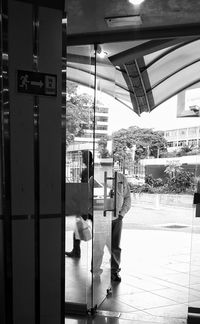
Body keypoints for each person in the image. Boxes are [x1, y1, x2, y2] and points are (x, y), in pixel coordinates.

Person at [93, 171, 131, 282]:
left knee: (115, 247)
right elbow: (88, 198)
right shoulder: (95, 178)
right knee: (98, 246)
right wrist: (94, 214)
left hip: (117, 219)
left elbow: (127, 197)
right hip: (101, 219)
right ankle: (95, 271)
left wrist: (122, 214)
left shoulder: (121, 177)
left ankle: (114, 271)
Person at [65, 150, 93, 258]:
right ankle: (76, 251)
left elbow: (84, 189)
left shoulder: (87, 171)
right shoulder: (91, 170)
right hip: (91, 204)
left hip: (86, 205)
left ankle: (76, 251)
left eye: (84, 156)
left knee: (78, 226)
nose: (83, 159)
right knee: (80, 226)